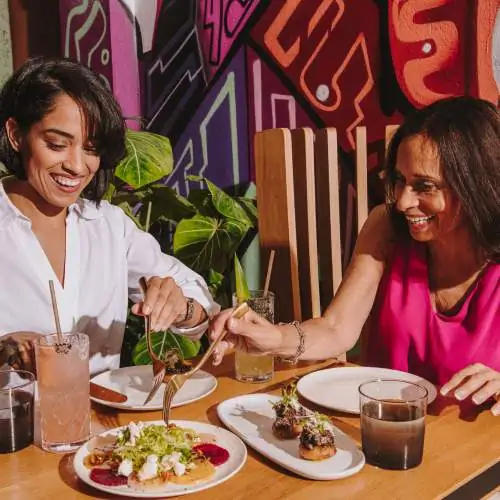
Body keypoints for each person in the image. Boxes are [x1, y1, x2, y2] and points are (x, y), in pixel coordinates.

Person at [211, 96, 500, 415]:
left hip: (477, 450)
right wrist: (271, 337)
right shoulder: (387, 227)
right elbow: (336, 328)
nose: (403, 201)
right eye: (401, 180)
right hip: (383, 431)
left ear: (476, 185)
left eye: (425, 186)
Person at [0, 57, 219, 375]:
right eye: (57, 144)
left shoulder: (109, 227)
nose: (77, 166)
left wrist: (181, 307)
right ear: (16, 135)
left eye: (91, 149)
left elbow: (199, 304)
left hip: (106, 422)